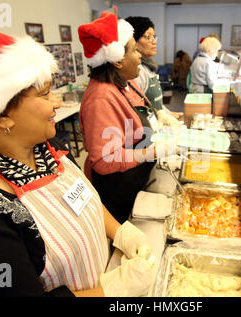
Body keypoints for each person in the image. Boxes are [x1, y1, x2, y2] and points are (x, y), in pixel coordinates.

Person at [0, 8, 154, 297]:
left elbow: (83, 200)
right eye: (45, 94)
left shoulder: (53, 152)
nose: (57, 104)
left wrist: (122, 232)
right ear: (1, 115)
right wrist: (111, 290)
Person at [78, 12, 177, 224]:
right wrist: (150, 151)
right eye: (134, 50)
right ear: (118, 61)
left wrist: (159, 115)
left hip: (138, 176)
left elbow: (141, 111)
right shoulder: (101, 98)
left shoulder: (125, 83)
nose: (139, 55)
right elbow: (104, 160)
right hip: (118, 187)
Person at [125, 16, 182, 124]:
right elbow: (135, 111)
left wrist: (168, 114)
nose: (154, 41)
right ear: (133, 41)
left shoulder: (149, 67)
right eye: (147, 36)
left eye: (154, 36)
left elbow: (154, 103)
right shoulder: (137, 71)